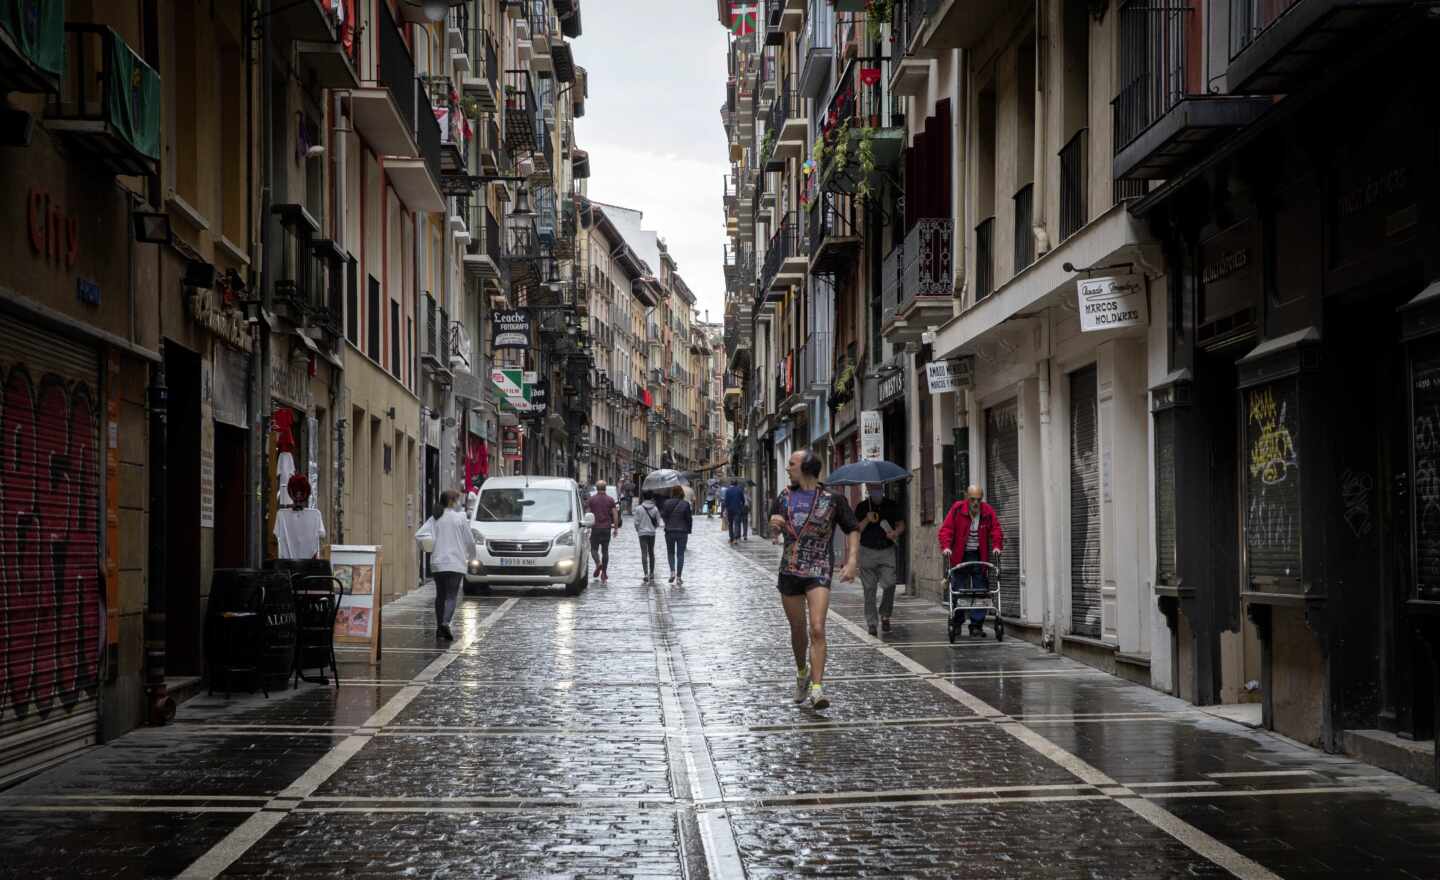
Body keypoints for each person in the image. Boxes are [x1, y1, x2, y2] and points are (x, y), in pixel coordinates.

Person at [768, 449, 860, 710]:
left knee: (817, 628)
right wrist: (774, 528)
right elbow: (774, 524)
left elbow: (852, 528)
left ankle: (817, 689)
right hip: (790, 571)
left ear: (806, 468)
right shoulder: (784, 497)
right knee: (798, 630)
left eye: (792, 464)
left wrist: (852, 561)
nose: (788, 468)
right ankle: (801, 673)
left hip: (819, 570)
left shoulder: (832, 500)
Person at [937, 484, 1004, 637]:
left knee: (981, 590)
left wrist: (996, 546)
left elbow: (996, 529)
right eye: (972, 499)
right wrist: (946, 546)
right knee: (958, 589)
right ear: (967, 497)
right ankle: (957, 621)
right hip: (960, 554)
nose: (975, 503)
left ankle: (976, 625)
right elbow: (946, 529)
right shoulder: (957, 509)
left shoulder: (987, 511)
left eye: (979, 500)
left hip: (979, 555)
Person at [423, 489, 476, 641]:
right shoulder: (460, 518)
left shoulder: (435, 518)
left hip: (438, 563)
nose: (459, 503)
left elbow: (420, 534)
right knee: (451, 596)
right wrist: (472, 557)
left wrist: (428, 545)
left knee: (440, 596)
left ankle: (440, 628)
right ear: (453, 501)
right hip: (456, 562)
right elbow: (470, 541)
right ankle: (445, 623)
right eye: (458, 500)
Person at [855, 482, 906, 636]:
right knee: (869, 589)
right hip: (867, 551)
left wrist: (895, 533)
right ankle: (871, 623)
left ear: (882, 489)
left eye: (878, 488)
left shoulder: (892, 505)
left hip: (887, 550)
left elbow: (901, 525)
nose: (876, 491)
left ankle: (885, 614)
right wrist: (866, 519)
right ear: (868, 490)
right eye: (873, 488)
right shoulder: (862, 507)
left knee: (890, 583)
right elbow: (856, 530)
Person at [274, 474, 326, 559]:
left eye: (300, 492)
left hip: (289, 565)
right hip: (307, 565)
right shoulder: (315, 515)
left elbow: (276, 535)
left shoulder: (282, 515)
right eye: (296, 492)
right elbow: (322, 535)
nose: (298, 496)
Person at [585, 479, 620, 582]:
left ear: (596, 488)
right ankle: (604, 573)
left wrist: (587, 527)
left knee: (593, 549)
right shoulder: (610, 499)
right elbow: (615, 514)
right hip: (606, 528)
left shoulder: (591, 500)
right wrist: (616, 528)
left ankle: (598, 563)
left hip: (595, 528)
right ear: (605, 488)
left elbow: (588, 514)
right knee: (605, 551)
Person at [660, 485, 693, 585]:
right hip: (682, 531)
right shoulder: (685, 504)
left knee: (670, 553)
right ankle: (679, 577)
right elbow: (689, 518)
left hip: (669, 531)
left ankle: (672, 572)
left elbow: (664, 516)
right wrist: (689, 529)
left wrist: (668, 523)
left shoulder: (666, 503)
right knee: (680, 554)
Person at [634, 490, 663, 583]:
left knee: (644, 553)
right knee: (651, 552)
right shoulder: (655, 509)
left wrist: (638, 530)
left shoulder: (638, 508)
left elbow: (636, 522)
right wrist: (653, 527)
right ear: (651, 498)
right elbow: (658, 522)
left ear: (643, 497)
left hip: (642, 533)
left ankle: (645, 573)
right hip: (651, 533)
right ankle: (652, 573)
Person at [723, 478, 747, 545]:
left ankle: (731, 538)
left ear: (731, 484)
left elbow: (726, 501)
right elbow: (743, 500)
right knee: (736, 523)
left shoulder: (727, 490)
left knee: (730, 524)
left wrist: (726, 509)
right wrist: (741, 504)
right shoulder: (739, 490)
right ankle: (736, 538)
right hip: (737, 509)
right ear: (736, 484)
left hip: (730, 509)